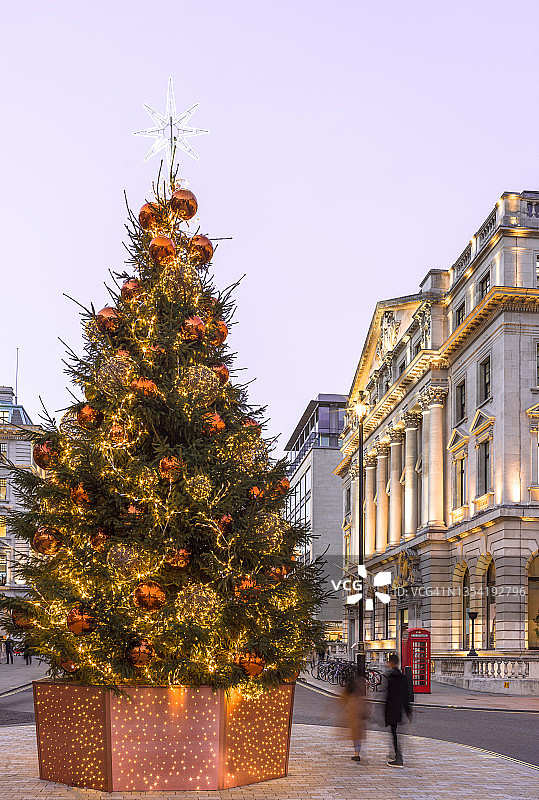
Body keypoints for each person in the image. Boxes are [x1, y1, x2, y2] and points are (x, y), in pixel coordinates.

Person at [384, 653, 412, 767]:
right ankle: (395, 754)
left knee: (394, 734)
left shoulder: (390, 677)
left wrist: (385, 713)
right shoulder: (402, 677)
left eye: (388, 661)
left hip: (392, 709)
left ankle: (398, 758)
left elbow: (388, 697)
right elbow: (407, 695)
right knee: (396, 734)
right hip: (400, 710)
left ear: (391, 663)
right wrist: (408, 711)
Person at [337, 673, 368, 762]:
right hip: (361, 718)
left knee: (356, 737)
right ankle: (358, 752)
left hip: (354, 718)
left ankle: (357, 754)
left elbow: (341, 700)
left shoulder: (349, 693)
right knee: (359, 736)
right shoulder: (361, 693)